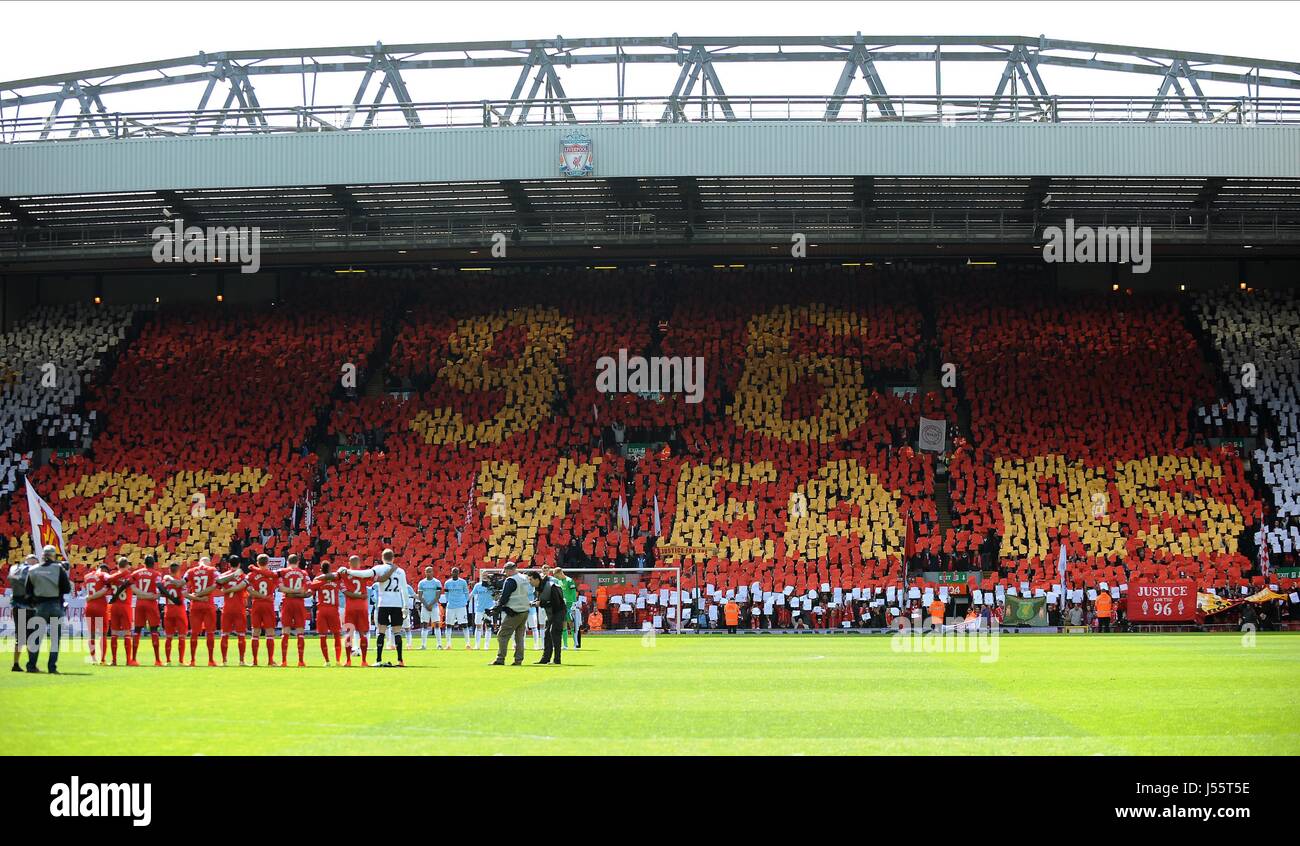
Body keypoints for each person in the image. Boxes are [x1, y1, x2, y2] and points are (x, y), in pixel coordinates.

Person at [340, 549, 409, 667]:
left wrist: (348, 571)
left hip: (383, 604)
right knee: (397, 632)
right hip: (397, 604)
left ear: (382, 558)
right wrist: (405, 607)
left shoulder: (379, 568)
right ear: (393, 558)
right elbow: (404, 590)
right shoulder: (401, 571)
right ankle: (400, 660)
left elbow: (363, 574)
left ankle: (378, 659)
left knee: (381, 631)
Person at [23, 546, 72, 674]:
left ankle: (31, 666)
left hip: (40, 606)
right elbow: (67, 588)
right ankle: (52, 667)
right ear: (53, 556)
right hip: (55, 604)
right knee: (55, 639)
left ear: (43, 556)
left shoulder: (33, 569)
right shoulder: (58, 568)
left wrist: (35, 601)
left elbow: (27, 591)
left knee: (35, 638)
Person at [488, 562, 530, 666]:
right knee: (519, 637)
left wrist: (497, 606)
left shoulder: (511, 580)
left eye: (506, 571)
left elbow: (505, 596)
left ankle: (500, 658)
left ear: (509, 570)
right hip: (524, 609)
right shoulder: (524, 577)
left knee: (502, 635)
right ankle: (518, 660)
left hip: (514, 611)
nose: (505, 573)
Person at [183, 556, 221, 666]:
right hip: (208, 603)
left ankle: (192, 660)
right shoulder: (212, 570)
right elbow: (220, 581)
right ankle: (210, 660)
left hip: (195, 605)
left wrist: (197, 596)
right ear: (208, 562)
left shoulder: (190, 571)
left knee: (194, 633)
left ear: (199, 562)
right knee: (210, 633)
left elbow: (183, 588)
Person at [130, 554, 165, 667]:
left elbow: (130, 585)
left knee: (137, 630)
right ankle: (157, 660)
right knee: (154, 630)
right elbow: (160, 590)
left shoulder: (136, 573)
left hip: (139, 602)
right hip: (151, 603)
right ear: (154, 563)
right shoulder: (156, 574)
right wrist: (153, 596)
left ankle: (133, 659)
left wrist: (141, 594)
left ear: (144, 563)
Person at [337, 555, 372, 666]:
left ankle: (348, 661)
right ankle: (364, 661)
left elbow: (345, 591)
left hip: (350, 607)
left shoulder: (344, 574)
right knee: (362, 634)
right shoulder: (364, 574)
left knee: (349, 633)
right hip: (362, 607)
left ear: (349, 563)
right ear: (359, 563)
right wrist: (362, 596)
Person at [246, 554, 280, 666]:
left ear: (257, 562)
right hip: (268, 604)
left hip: (256, 604)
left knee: (255, 632)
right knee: (270, 632)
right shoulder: (273, 575)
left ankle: (254, 661)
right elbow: (276, 587)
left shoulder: (251, 574)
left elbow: (248, 589)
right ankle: (270, 660)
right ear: (268, 563)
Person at [277, 554, 310, 667]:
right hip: (299, 603)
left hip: (287, 601)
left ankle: (284, 661)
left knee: (285, 631)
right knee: (300, 632)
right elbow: (305, 589)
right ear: (298, 561)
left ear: (287, 561)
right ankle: (301, 661)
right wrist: (298, 592)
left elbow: (281, 588)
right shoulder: (304, 573)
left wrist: (290, 591)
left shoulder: (282, 571)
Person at [529, 569, 568, 665]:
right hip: (551, 614)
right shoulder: (538, 588)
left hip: (558, 612)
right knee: (547, 635)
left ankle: (557, 660)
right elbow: (542, 601)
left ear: (537, 579)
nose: (529, 582)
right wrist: (534, 603)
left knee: (554, 633)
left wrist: (541, 603)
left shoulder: (551, 586)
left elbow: (557, 603)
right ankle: (545, 658)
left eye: (530, 579)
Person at [309, 561, 344, 665]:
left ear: (321, 570)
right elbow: (339, 574)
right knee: (337, 635)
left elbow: (310, 589)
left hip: (322, 610)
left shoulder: (318, 581)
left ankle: (327, 661)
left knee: (323, 636)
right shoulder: (336, 580)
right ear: (330, 569)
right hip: (333, 610)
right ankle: (338, 660)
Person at [9, 554, 36, 672]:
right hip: (29, 607)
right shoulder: (32, 570)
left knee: (19, 637)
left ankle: (16, 663)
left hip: (16, 605)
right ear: (33, 561)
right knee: (32, 637)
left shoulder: (14, 568)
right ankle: (31, 665)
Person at [159, 563, 189, 665]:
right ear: (178, 570)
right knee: (182, 636)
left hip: (169, 610)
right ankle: (181, 661)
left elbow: (161, 592)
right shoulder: (181, 582)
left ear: (169, 570)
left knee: (169, 637)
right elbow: (185, 594)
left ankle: (168, 661)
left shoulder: (165, 581)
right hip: (179, 611)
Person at [82, 562, 111, 665]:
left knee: (91, 634)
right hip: (100, 606)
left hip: (89, 607)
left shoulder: (87, 576)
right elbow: (108, 581)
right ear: (105, 570)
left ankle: (93, 659)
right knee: (103, 634)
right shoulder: (103, 575)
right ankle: (102, 660)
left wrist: (89, 597)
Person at [442, 567, 471, 649]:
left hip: (461, 606)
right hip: (451, 606)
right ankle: (448, 644)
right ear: (451, 573)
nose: (455, 573)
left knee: (464, 624)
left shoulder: (463, 582)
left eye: (456, 572)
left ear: (459, 573)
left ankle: (468, 643)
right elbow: (446, 593)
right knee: (448, 625)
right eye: (453, 572)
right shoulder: (447, 583)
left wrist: (465, 601)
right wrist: (449, 601)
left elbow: (466, 592)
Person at [552, 567, 580, 649]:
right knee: (563, 623)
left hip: (569, 604)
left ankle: (575, 643)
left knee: (571, 623)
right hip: (561, 604)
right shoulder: (558, 581)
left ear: (561, 573)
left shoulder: (569, 580)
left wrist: (574, 603)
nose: (556, 577)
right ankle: (565, 645)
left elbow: (573, 592)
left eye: (557, 575)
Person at [416, 566, 442, 649]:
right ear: (424, 572)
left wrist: (430, 604)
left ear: (433, 572)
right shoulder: (421, 583)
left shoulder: (437, 582)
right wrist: (426, 605)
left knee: (437, 624)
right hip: (425, 606)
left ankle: (439, 644)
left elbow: (438, 596)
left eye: (430, 571)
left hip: (434, 606)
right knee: (424, 625)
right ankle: (423, 645)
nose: (428, 573)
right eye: (427, 571)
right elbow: (420, 596)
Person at [469, 575, 495, 650]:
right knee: (478, 626)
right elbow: (472, 594)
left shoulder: (492, 586)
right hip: (479, 609)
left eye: (486, 576)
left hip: (489, 609)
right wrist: (466, 601)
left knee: (488, 627)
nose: (485, 577)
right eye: (484, 576)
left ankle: (486, 645)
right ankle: (477, 645)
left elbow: (496, 596)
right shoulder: (477, 585)